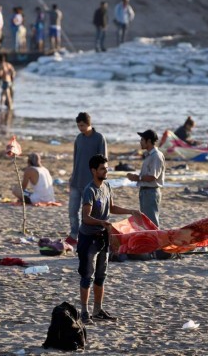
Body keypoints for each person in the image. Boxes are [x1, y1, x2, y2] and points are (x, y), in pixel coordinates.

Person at [78, 154, 141, 325]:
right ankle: (84, 312)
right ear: (93, 170)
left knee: (101, 275)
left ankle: (97, 310)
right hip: (89, 238)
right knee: (87, 276)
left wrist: (131, 211)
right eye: (103, 168)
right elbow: (85, 217)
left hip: (103, 237)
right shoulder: (90, 190)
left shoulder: (106, 186)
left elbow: (111, 207)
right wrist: (102, 223)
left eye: (107, 168)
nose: (107, 171)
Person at [67, 112, 108, 246]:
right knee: (72, 210)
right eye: (78, 126)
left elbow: (103, 162)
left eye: (83, 125)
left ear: (89, 124)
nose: (81, 128)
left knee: (91, 213)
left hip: (90, 184)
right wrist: (72, 175)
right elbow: (75, 159)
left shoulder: (99, 138)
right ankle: (74, 234)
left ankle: (89, 235)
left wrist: (100, 180)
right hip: (76, 181)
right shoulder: (79, 138)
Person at [126, 130, 165, 227]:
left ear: (149, 141)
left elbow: (152, 177)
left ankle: (155, 241)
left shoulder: (156, 156)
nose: (140, 142)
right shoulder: (150, 155)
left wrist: (137, 178)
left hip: (150, 192)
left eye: (142, 140)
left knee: (151, 223)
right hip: (146, 191)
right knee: (146, 222)